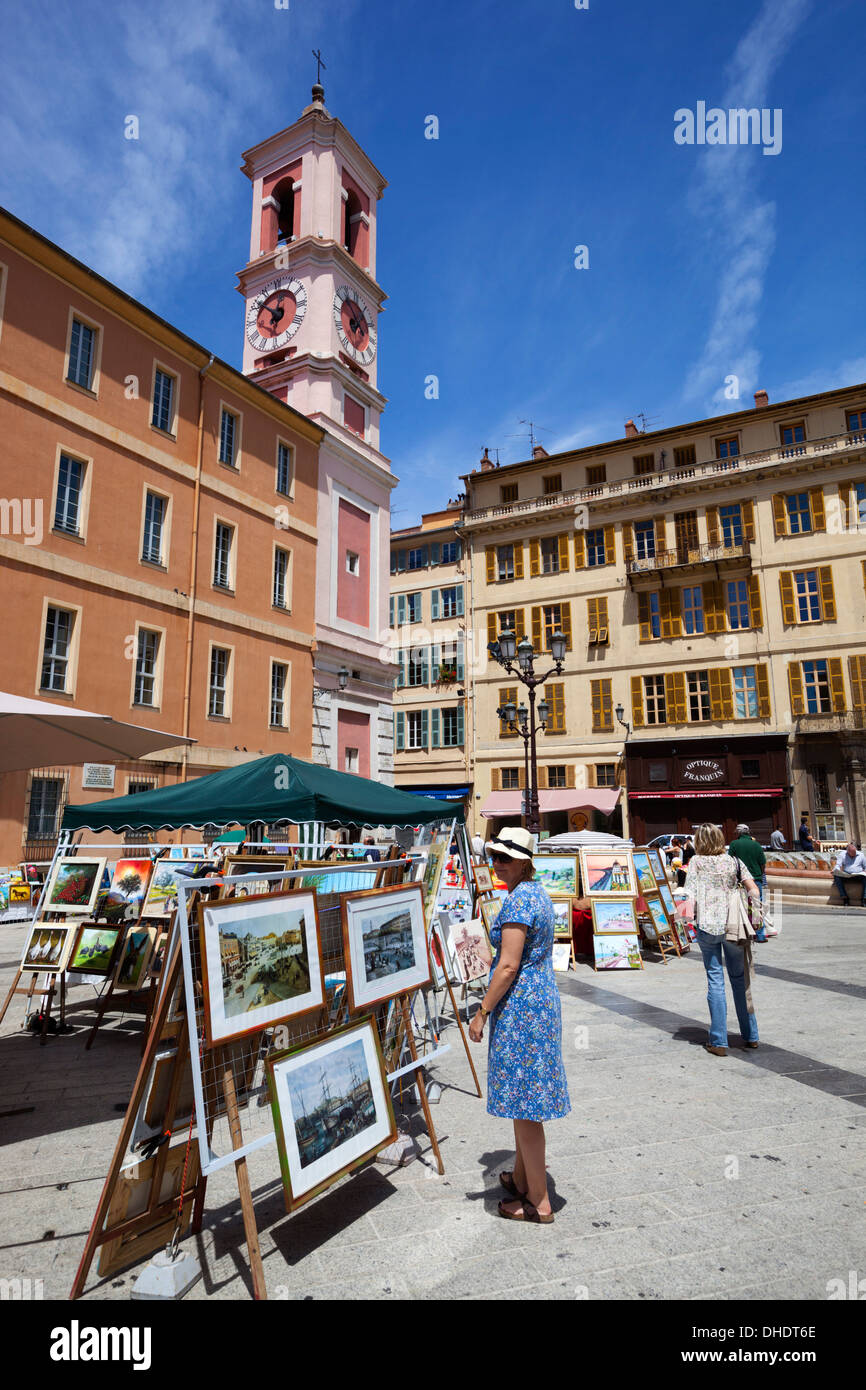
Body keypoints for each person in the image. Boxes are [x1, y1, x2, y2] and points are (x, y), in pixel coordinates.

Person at [467, 826, 570, 1223]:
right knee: (524, 1098)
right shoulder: (536, 894)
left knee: (526, 1105)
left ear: (523, 862)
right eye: (494, 855)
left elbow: (508, 965)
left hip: (522, 1008)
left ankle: (539, 1203)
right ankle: (525, 1180)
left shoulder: (517, 902)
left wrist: (481, 1012)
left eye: (504, 858)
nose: (496, 863)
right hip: (539, 1001)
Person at [683, 823, 762, 1056]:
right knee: (739, 980)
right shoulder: (733, 861)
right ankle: (751, 1036)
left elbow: (689, 895)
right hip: (733, 926)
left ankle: (718, 1041)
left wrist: (685, 919)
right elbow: (754, 890)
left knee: (715, 980)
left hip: (708, 926)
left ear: (699, 841)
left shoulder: (696, 862)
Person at [728, 823, 768, 941]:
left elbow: (730, 862)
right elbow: (762, 863)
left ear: (738, 832)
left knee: (742, 906)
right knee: (756, 905)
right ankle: (760, 934)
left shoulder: (734, 844)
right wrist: (760, 875)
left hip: (741, 880)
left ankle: (745, 933)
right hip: (756, 879)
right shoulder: (756, 844)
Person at [832, 842, 866, 906]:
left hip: (858, 875)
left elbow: (865, 866)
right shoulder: (842, 855)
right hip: (846, 875)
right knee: (836, 877)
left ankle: (864, 899)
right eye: (852, 853)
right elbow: (838, 865)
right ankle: (844, 897)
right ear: (848, 851)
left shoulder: (861, 855)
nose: (854, 854)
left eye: (855, 852)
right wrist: (835, 870)